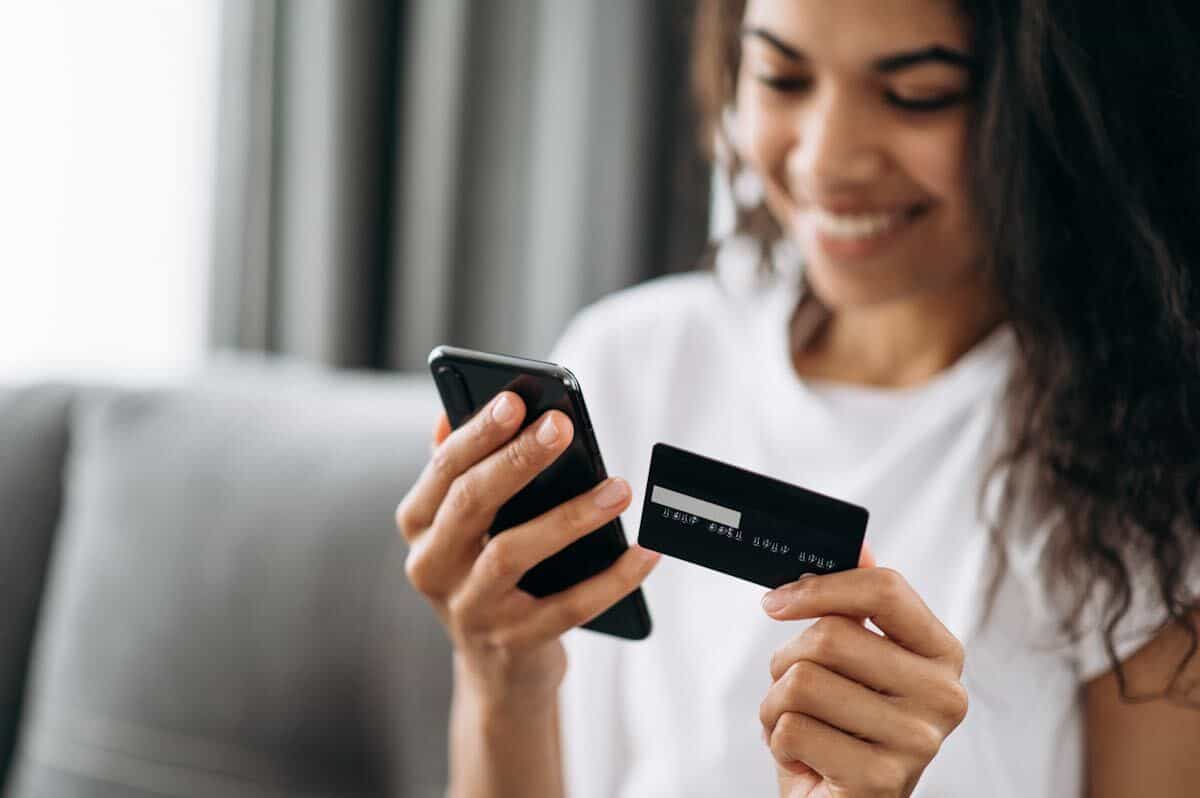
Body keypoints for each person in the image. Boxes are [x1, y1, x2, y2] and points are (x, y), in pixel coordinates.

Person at [396, 0, 1200, 795]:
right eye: (782, 76)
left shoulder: (1140, 468)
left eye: (916, 94)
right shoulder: (631, 361)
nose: (826, 159)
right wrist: (503, 679)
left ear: (1051, 106)